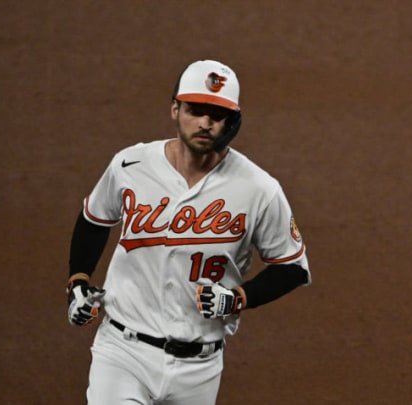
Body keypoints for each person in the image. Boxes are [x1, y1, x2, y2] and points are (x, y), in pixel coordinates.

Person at [66, 59, 311, 404]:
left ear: (232, 122)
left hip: (199, 368)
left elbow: (293, 268)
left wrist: (238, 298)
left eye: (217, 114)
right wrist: (77, 282)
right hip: (123, 353)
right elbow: (94, 218)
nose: (205, 122)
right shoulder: (130, 165)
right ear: (175, 109)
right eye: (195, 110)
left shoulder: (259, 188)